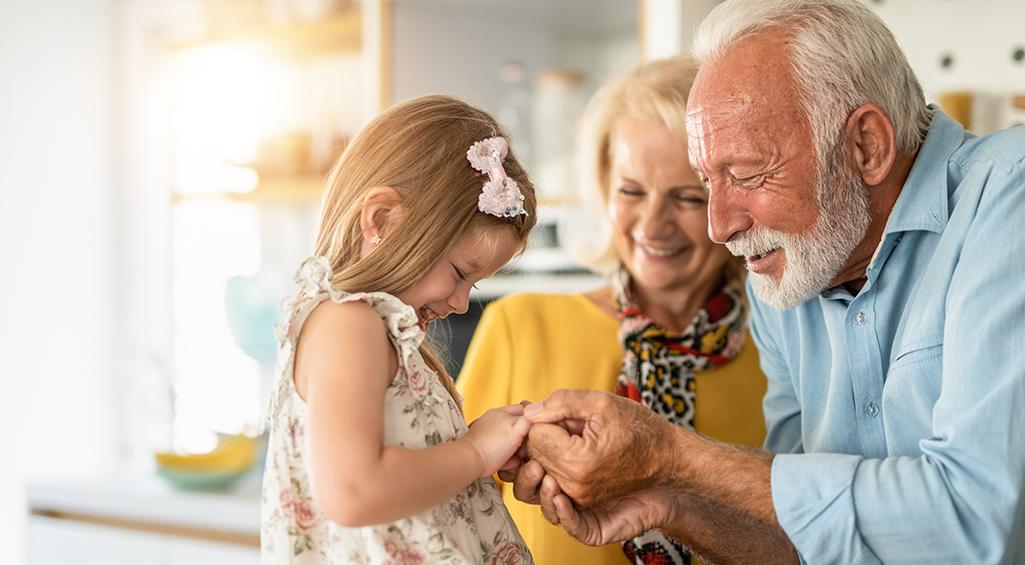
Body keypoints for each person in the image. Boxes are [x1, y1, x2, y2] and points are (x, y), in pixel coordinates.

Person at [509, 1, 1025, 563]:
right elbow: (804, 542)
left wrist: (673, 457)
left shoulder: (1007, 198)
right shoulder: (785, 276)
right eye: (707, 181)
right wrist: (668, 502)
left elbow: (976, 523)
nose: (720, 227)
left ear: (866, 146)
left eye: (748, 173)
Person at [458, 57, 767, 565]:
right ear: (604, 187)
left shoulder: (781, 355)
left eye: (687, 198)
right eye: (631, 191)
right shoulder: (521, 327)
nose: (653, 224)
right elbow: (449, 517)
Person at [261, 95, 540, 564]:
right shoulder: (347, 324)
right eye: (459, 272)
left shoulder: (376, 332)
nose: (459, 302)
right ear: (382, 220)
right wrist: (474, 453)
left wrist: (478, 455)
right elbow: (354, 491)